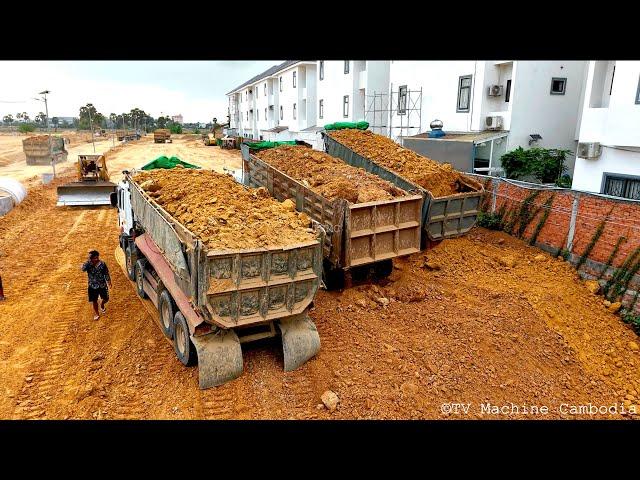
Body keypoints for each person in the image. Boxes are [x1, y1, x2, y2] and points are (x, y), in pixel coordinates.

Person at [81, 250, 112, 320]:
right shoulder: (88, 265)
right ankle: (97, 313)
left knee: (106, 298)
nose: (96, 259)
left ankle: (102, 304)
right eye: (94, 258)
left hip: (102, 285)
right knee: (94, 300)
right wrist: (88, 261)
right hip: (92, 286)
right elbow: (83, 269)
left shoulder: (102, 264)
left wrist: (109, 282)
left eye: (97, 257)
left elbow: (106, 273)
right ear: (91, 259)